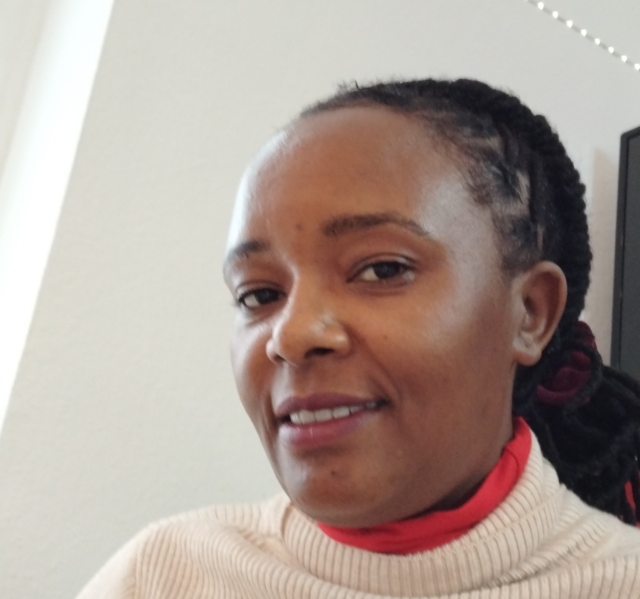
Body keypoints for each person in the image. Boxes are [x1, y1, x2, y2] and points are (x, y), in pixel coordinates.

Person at [76, 78, 640, 599]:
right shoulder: (161, 575)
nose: (292, 335)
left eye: (381, 270)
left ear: (529, 314)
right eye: (259, 294)